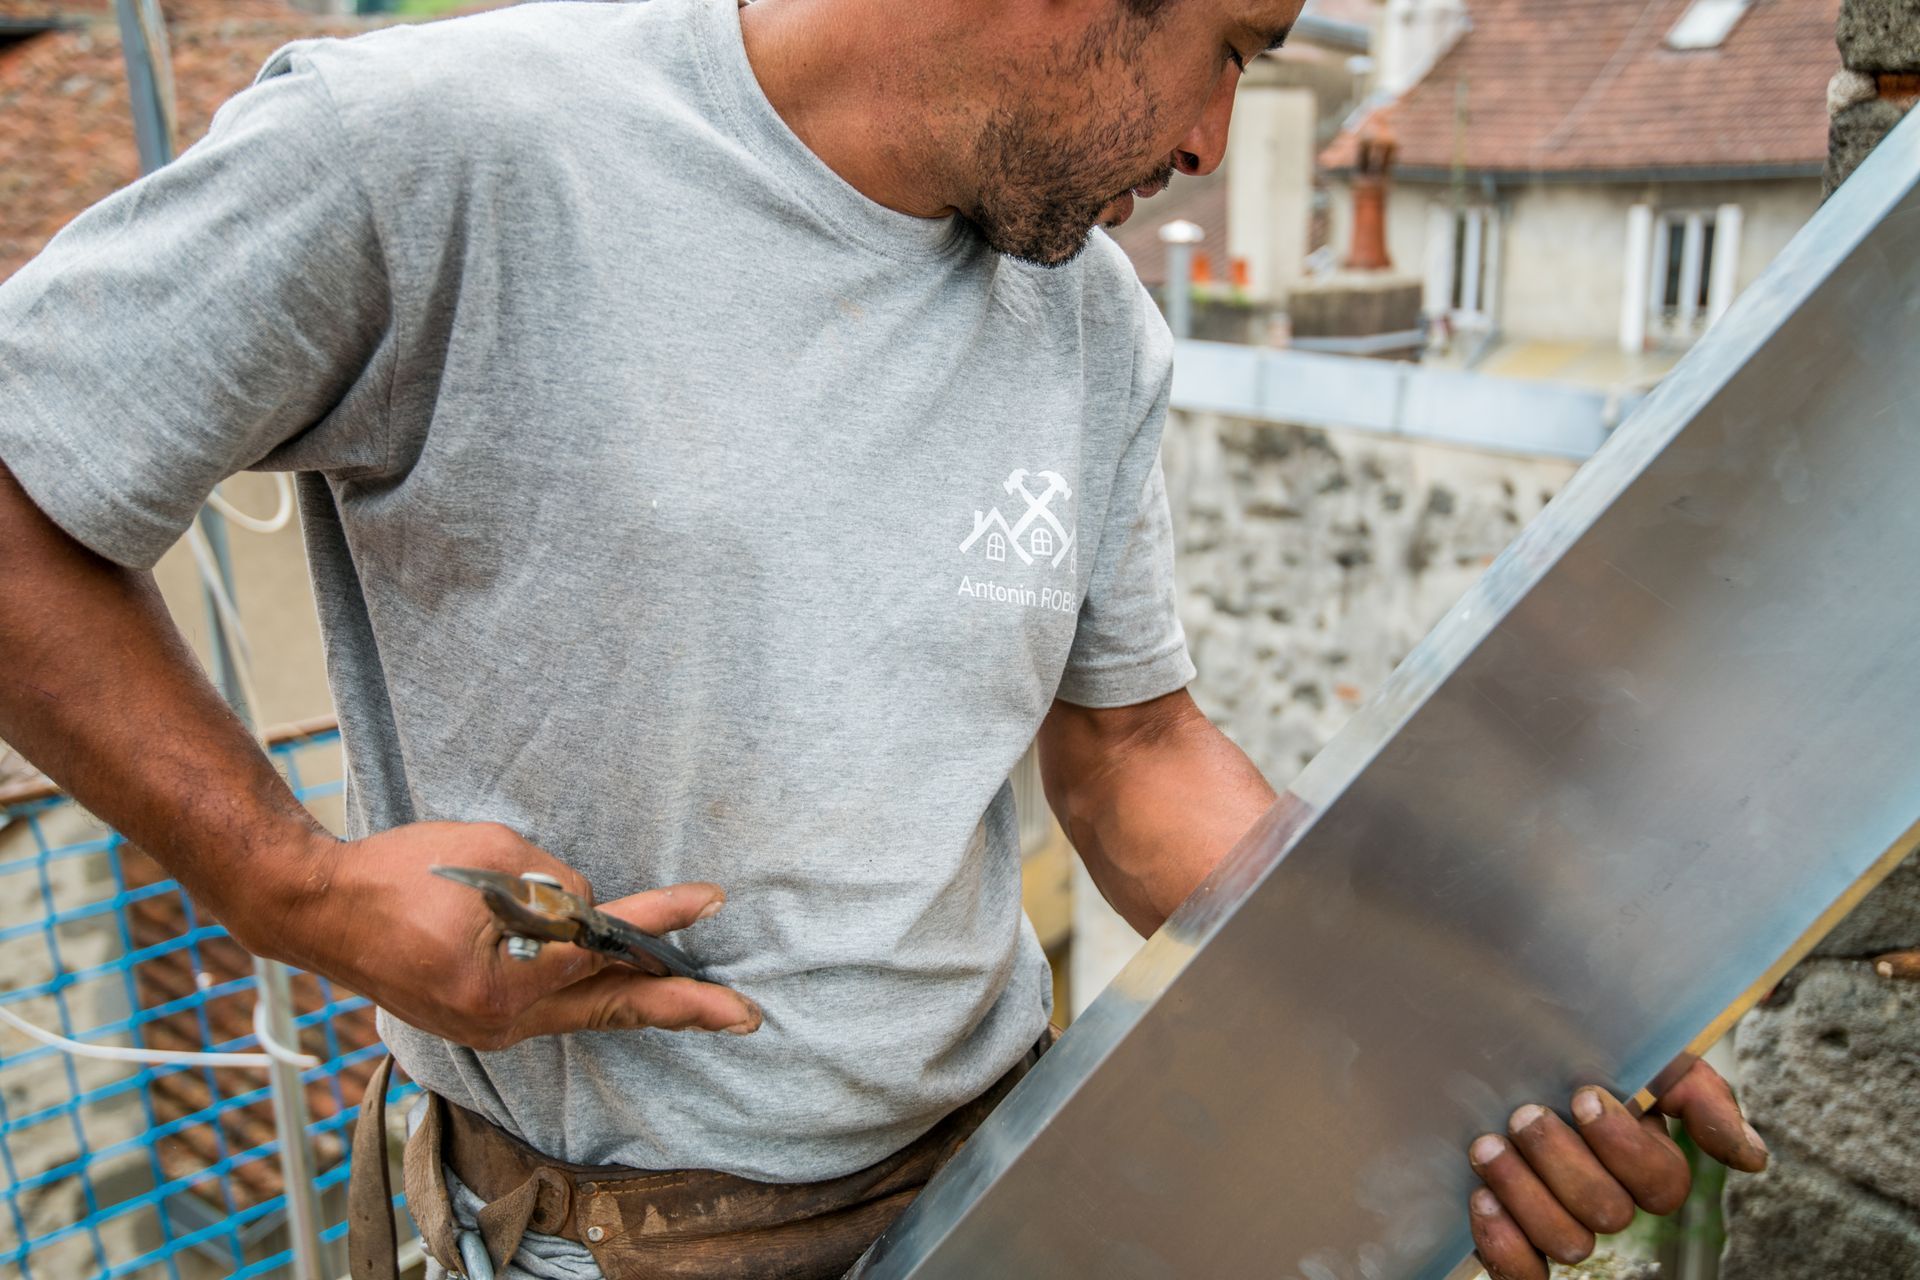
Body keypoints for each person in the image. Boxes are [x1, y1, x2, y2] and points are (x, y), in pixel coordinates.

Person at [0, 0, 1767, 1277]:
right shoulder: (439, 147)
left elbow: (1134, 754)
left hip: (1009, 1191)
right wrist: (293, 890)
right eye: (1231, 49)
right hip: (581, 1238)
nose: (1212, 145)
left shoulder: (1093, 323)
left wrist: (1471, 1000)